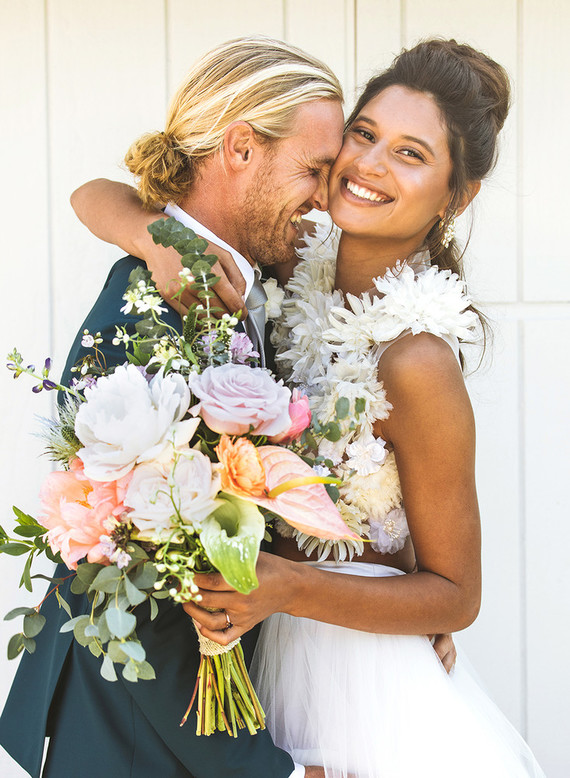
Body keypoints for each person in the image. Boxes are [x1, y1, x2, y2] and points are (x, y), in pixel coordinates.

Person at [70, 39, 545, 777]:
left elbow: (456, 593)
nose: (366, 168)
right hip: (269, 665)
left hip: (359, 688)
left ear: (457, 195)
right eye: (363, 136)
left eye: (411, 154)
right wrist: (148, 235)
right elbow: (95, 194)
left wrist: (304, 585)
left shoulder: (416, 359)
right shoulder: (286, 270)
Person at [0, 36, 346, 778]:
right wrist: (268, 771)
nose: (323, 196)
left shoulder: (232, 285)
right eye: (313, 170)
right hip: (130, 739)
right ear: (241, 147)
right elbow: (133, 581)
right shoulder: (152, 302)